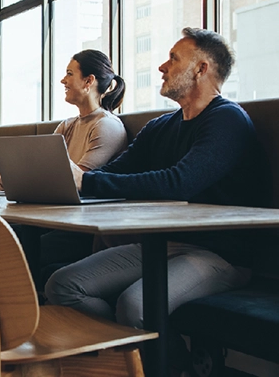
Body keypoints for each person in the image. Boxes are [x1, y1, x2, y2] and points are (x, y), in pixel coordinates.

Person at [45, 28, 269, 336]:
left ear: (201, 69)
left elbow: (180, 182)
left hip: (220, 254)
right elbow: (115, 173)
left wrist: (86, 182)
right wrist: (69, 179)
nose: (162, 67)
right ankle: (129, 359)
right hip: (160, 244)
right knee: (63, 285)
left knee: (135, 306)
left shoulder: (228, 119)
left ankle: (151, 361)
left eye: (173, 59)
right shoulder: (161, 126)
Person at [0, 50, 128, 276]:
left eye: (69, 74)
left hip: (80, 230)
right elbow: (46, 181)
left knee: (0, 245)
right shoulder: (66, 126)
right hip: (52, 222)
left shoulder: (107, 126)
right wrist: (0, 185)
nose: (63, 80)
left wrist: (12, 178)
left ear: (89, 81)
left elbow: (77, 184)